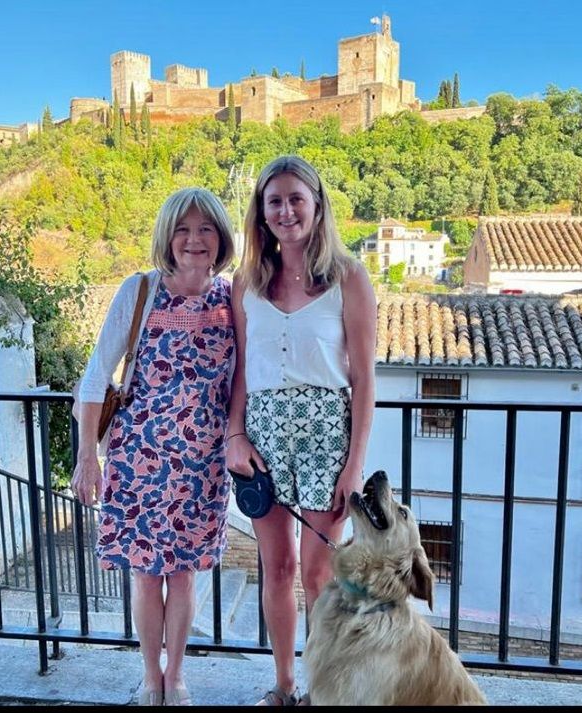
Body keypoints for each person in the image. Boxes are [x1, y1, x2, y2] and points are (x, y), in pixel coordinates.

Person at [73, 187, 236, 706]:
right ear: (167, 236)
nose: (194, 240)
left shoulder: (233, 299)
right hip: (138, 458)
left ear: (221, 238)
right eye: (183, 229)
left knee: (184, 577)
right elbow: (96, 375)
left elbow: (245, 381)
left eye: (205, 229)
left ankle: (176, 675)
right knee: (146, 575)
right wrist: (86, 459)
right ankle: (149, 675)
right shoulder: (139, 290)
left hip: (202, 463)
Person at [226, 156, 377, 706]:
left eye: (296, 199)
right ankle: (284, 687)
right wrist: (234, 434)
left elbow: (363, 380)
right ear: (261, 215)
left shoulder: (348, 277)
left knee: (317, 574)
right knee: (277, 566)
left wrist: (353, 465)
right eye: (274, 202)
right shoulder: (247, 282)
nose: (286, 210)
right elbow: (241, 369)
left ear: (317, 205)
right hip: (262, 439)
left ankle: (323, 689)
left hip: (325, 438)